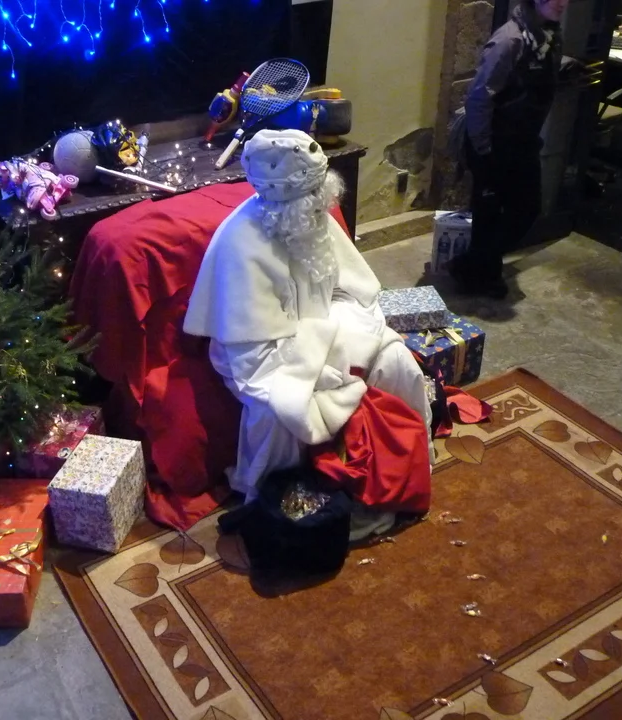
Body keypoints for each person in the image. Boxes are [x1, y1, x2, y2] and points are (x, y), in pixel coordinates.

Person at [183, 129, 435, 503]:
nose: (325, 207)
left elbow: (355, 293)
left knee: (396, 359)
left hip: (332, 330)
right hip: (264, 357)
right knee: (283, 411)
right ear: (291, 204)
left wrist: (341, 347)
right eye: (315, 200)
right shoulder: (241, 242)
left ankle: (409, 460)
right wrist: (324, 361)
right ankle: (286, 500)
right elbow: (251, 351)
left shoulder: (311, 219)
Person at [451, 0, 569, 298]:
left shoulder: (549, 35)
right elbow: (479, 98)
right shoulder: (510, 39)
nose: (562, 2)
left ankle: (471, 266)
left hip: (522, 141)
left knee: (526, 210)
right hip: (494, 141)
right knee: (490, 211)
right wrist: (484, 150)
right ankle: (482, 274)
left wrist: (565, 68)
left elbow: (536, 75)